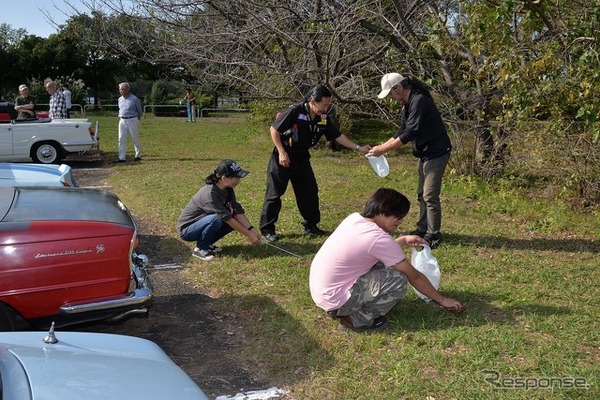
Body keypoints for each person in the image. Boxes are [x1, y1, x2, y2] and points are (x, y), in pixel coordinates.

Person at [309, 188, 465, 332]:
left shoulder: (354, 219)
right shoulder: (378, 238)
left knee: (385, 264)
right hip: (335, 299)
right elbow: (414, 276)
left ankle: (344, 308)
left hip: (322, 293)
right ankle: (355, 319)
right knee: (398, 280)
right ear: (382, 212)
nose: (400, 221)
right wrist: (442, 300)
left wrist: (403, 240)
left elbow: (377, 251)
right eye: (397, 216)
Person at [259, 85, 371, 242]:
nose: (326, 108)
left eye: (328, 105)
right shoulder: (294, 111)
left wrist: (359, 148)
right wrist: (282, 152)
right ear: (312, 102)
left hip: (302, 158)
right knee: (274, 194)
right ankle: (267, 229)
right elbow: (274, 130)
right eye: (324, 104)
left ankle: (310, 225)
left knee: (309, 192)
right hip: (283, 158)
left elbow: (337, 136)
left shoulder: (323, 118)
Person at [367, 73, 452, 249]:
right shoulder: (408, 103)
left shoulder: (419, 100)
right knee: (422, 193)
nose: (391, 97)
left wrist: (382, 150)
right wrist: (380, 147)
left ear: (398, 88)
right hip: (425, 153)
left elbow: (410, 133)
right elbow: (402, 130)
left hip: (436, 152)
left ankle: (434, 234)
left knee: (430, 195)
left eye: (390, 93)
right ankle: (422, 228)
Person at [177, 159, 262, 261]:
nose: (238, 180)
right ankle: (200, 249)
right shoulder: (210, 194)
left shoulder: (228, 189)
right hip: (187, 230)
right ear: (224, 178)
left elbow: (237, 212)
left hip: (205, 221)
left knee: (233, 220)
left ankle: (207, 243)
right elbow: (227, 218)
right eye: (236, 177)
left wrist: (252, 230)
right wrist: (250, 235)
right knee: (217, 219)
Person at [117, 82, 143, 162]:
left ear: (127, 89)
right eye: (120, 89)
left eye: (122, 89)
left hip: (132, 119)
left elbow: (140, 111)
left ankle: (138, 155)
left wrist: (136, 119)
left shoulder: (134, 99)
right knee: (121, 138)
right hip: (122, 120)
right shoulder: (120, 99)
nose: (121, 91)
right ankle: (122, 157)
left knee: (134, 137)